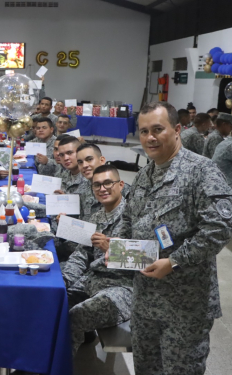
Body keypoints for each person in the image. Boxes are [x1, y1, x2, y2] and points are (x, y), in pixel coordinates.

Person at [120, 101, 232, 375]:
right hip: (145, 302)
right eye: (144, 131)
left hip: (185, 306)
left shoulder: (201, 171)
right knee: (146, 369)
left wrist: (175, 261)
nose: (150, 137)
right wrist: (117, 249)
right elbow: (128, 219)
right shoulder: (145, 174)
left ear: (178, 129)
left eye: (158, 129)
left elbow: (219, 228)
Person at [61, 164, 133, 354]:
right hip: (92, 281)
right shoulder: (98, 216)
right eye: (97, 185)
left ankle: (60, 366)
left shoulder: (134, 217)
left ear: (121, 185)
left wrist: (114, 249)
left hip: (121, 287)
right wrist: (65, 280)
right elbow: (81, 254)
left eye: (108, 183)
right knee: (53, 303)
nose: (102, 189)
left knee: (75, 316)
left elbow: (148, 258)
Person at [75, 143, 130, 222]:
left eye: (89, 159)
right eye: (80, 162)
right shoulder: (81, 190)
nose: (84, 165)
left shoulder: (124, 190)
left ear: (102, 160)